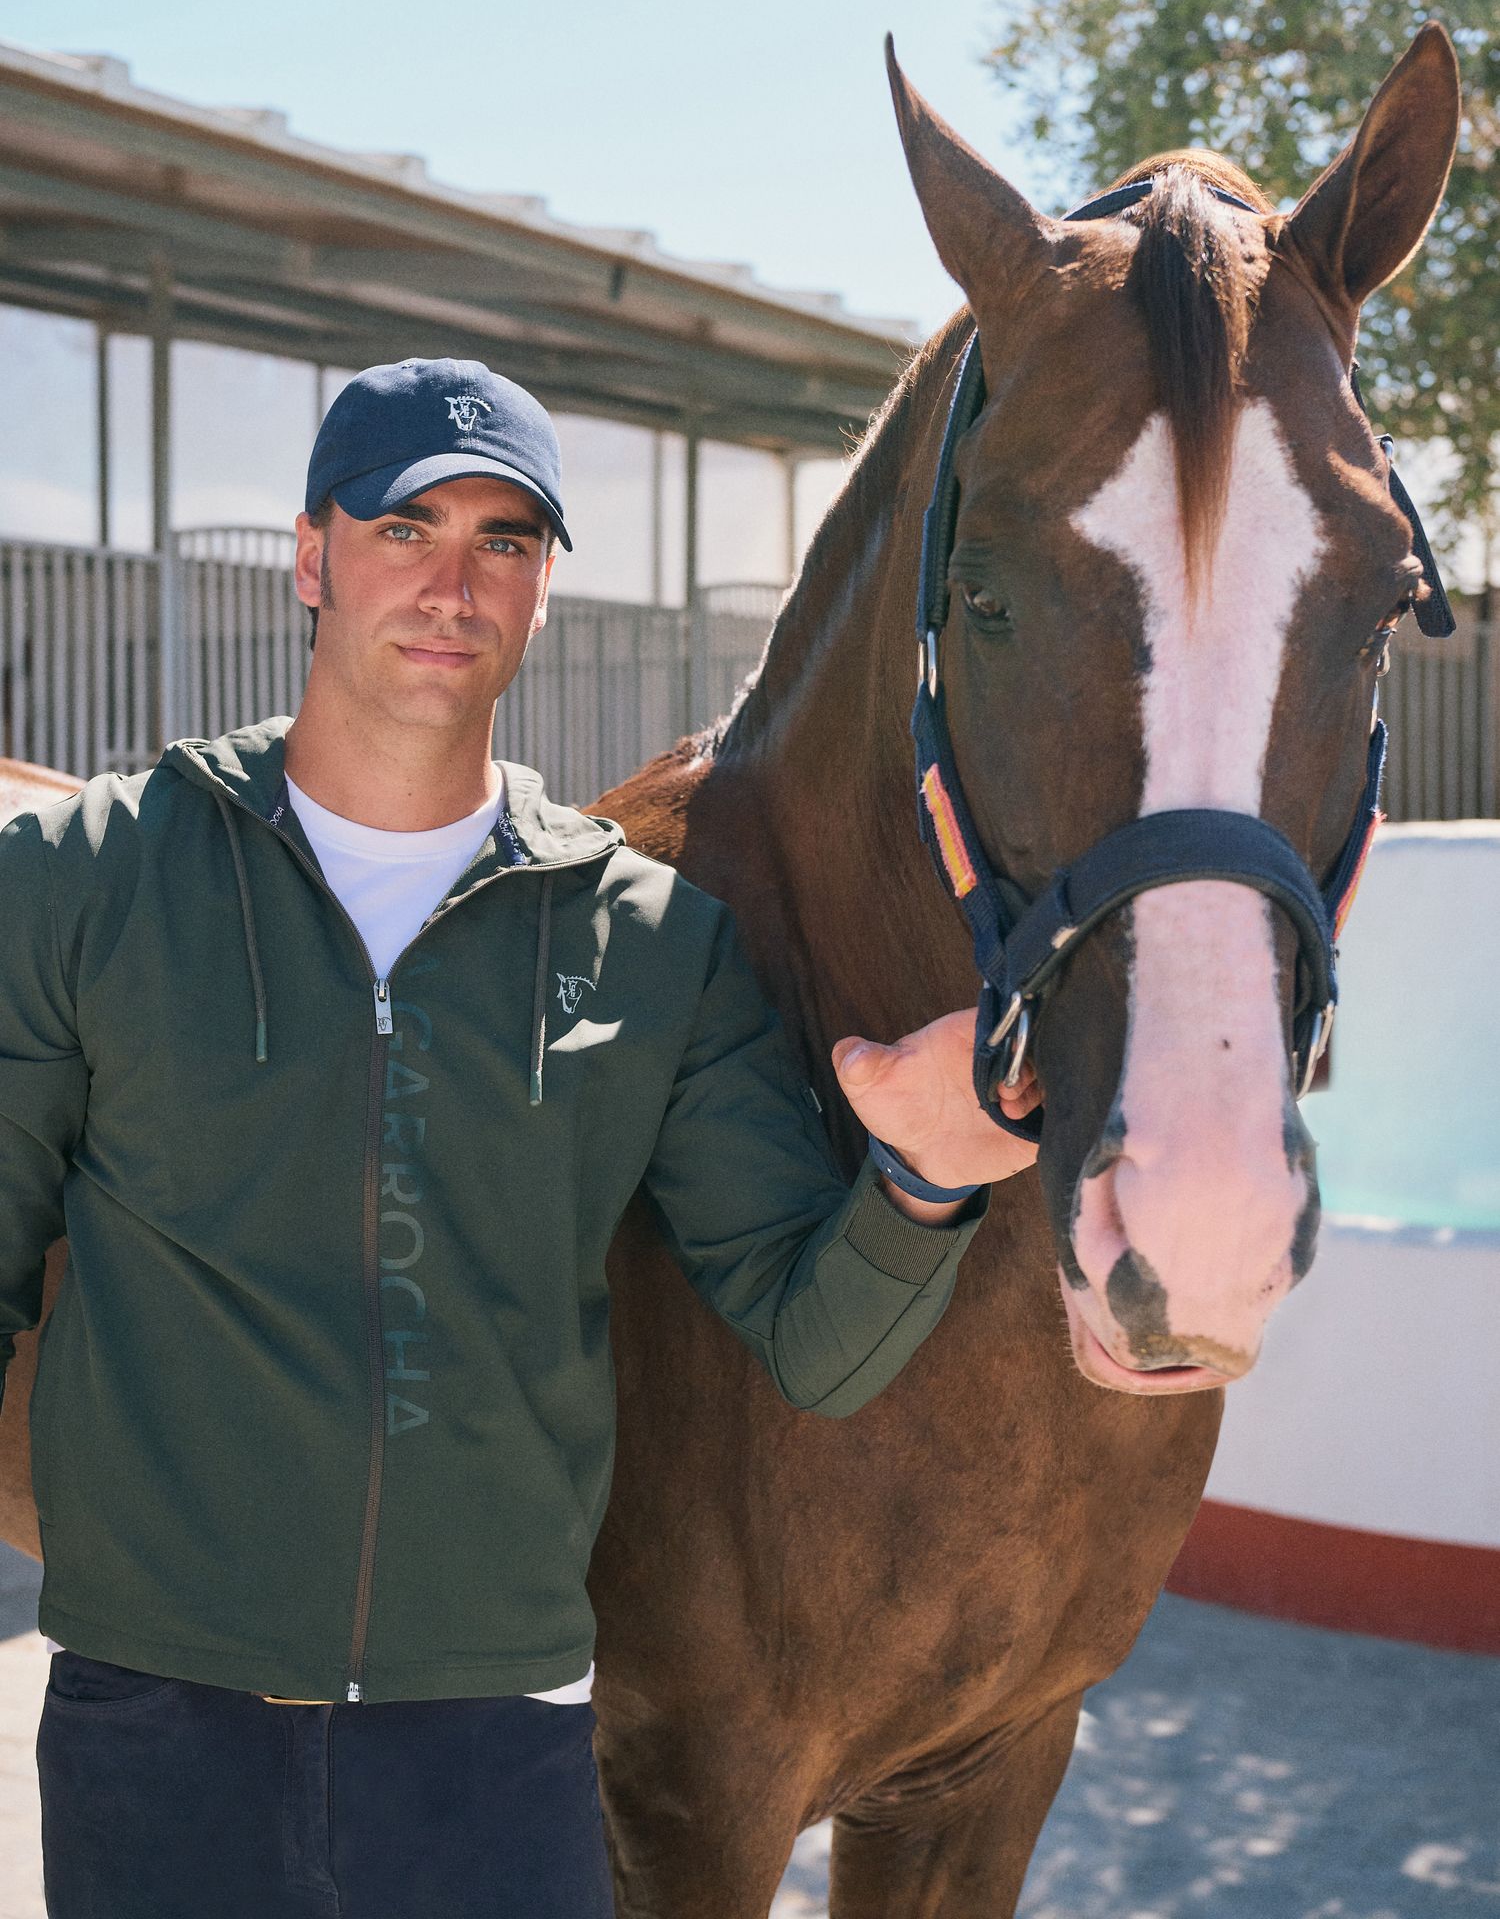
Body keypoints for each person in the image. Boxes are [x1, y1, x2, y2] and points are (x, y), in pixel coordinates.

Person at [0, 357, 1038, 1918]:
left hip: (497, 1752)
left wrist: (923, 1177)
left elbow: (811, 1343)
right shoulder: (87, 880)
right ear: (310, 554)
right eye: (403, 527)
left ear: (545, 583)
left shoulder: (653, 944)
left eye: (504, 540)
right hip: (161, 1726)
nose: (453, 584)